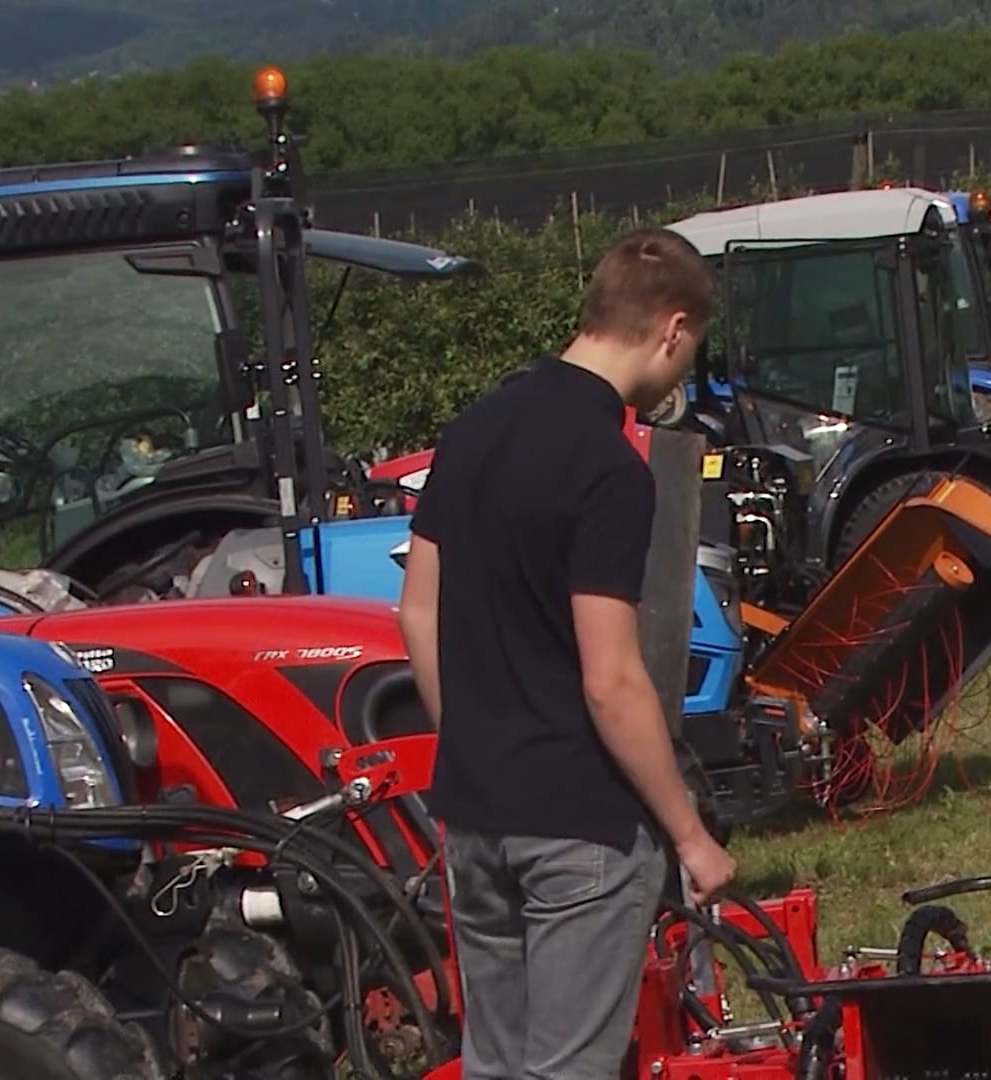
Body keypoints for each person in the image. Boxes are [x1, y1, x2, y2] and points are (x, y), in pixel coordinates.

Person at [397, 226, 737, 1078]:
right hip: (578, 828)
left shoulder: (470, 434)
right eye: (687, 352)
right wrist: (691, 838)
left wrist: (476, 745)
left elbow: (416, 614)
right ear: (672, 329)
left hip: (475, 815)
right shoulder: (609, 467)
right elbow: (612, 678)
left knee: (496, 1064)